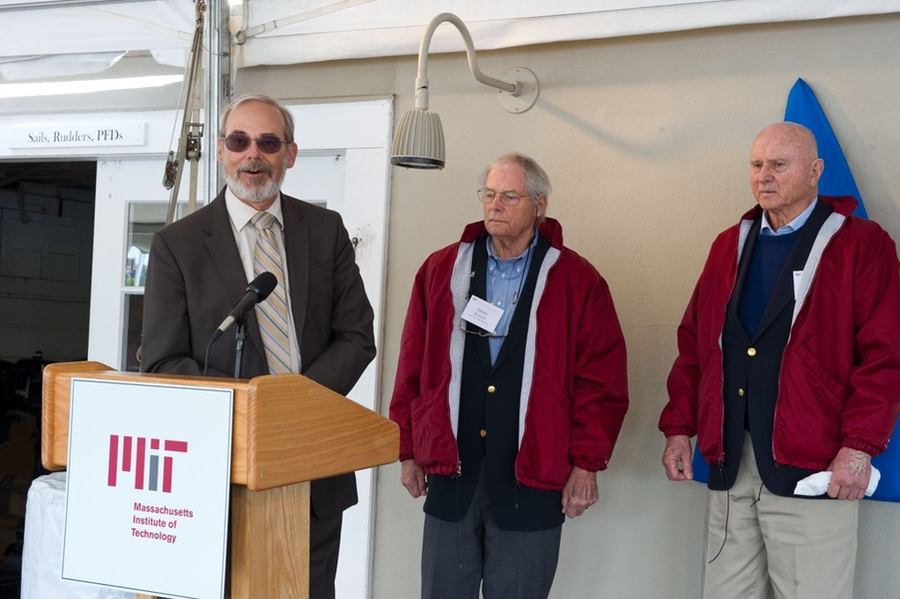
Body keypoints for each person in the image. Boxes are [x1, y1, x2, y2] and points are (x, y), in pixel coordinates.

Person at [140, 93, 376, 599]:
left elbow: (357, 334)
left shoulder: (326, 230)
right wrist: (251, 415)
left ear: (289, 154)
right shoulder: (177, 245)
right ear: (222, 152)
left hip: (312, 466)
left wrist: (293, 405)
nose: (253, 154)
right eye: (239, 141)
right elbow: (162, 361)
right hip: (219, 474)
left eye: (268, 142)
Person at [658, 121, 900, 599]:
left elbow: (886, 356)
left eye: (778, 165)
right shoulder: (729, 244)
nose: (763, 176)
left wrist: (859, 447)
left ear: (815, 171)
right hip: (731, 458)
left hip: (812, 461)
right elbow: (696, 345)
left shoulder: (862, 245)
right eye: (756, 165)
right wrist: (678, 428)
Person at [389, 153, 629, 599]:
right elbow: (412, 366)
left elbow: (602, 383)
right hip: (451, 471)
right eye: (489, 195)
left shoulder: (578, 280)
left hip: (533, 475)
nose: (495, 205)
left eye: (510, 196)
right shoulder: (441, 270)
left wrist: (587, 464)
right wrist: (407, 449)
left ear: (539, 205)